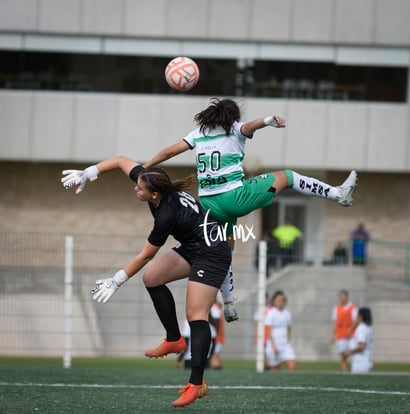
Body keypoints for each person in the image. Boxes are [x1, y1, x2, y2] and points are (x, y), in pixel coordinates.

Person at [144, 98, 357, 320]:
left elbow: (168, 152)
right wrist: (267, 121)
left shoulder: (198, 133)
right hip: (234, 197)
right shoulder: (235, 129)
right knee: (288, 177)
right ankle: (338, 194)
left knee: (225, 248)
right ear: (232, 116)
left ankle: (228, 304)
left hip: (207, 204)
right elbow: (249, 126)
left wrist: (145, 168)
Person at [61, 156, 232, 408]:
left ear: (154, 195)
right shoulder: (152, 182)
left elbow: (147, 254)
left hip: (212, 252)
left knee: (196, 315)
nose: (135, 188)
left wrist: (116, 280)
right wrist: (89, 172)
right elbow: (120, 161)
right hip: (192, 246)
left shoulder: (166, 214)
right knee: (152, 278)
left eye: (139, 188)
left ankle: (197, 384)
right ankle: (174, 339)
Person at [264, 290, 296, 371]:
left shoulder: (287, 313)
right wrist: (274, 347)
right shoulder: (271, 313)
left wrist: (288, 342)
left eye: (282, 300)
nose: (281, 302)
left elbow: (289, 329)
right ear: (274, 301)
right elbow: (269, 332)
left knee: (292, 366)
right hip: (273, 345)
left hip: (285, 345)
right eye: (278, 300)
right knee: (275, 370)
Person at [331, 290, 358, 372]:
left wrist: (350, 329)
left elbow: (355, 320)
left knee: (349, 352)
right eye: (340, 298)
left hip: (351, 335)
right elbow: (335, 322)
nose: (342, 299)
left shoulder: (352, 307)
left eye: (343, 297)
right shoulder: (336, 308)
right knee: (342, 353)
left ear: (347, 297)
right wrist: (333, 335)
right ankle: (343, 368)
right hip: (341, 334)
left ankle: (348, 367)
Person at [344, 307, 373, 373]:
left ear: (360, 316)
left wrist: (349, 351)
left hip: (360, 363)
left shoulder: (361, 328)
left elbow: (361, 346)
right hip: (366, 361)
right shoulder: (368, 327)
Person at [209, 302, 225, 369]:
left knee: (214, 353)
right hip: (217, 334)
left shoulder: (214, 307)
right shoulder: (216, 307)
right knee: (215, 353)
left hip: (216, 335)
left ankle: (216, 366)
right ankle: (217, 366)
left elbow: (216, 321)